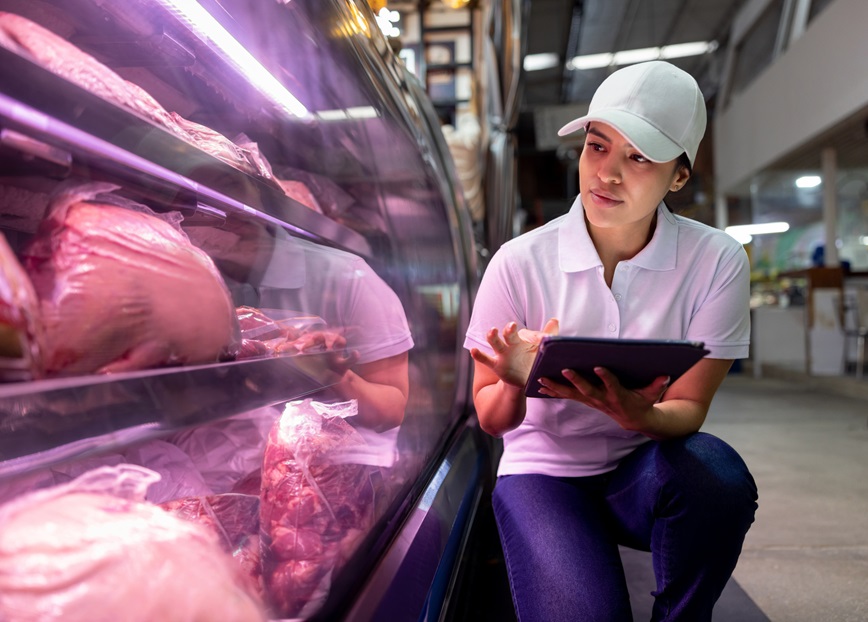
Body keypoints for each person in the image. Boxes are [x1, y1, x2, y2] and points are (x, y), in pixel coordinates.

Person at [464, 60, 758, 621]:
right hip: (543, 473)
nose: (607, 174)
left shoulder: (715, 259)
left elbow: (690, 407)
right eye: (598, 147)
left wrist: (638, 415)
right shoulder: (518, 262)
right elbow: (490, 418)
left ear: (678, 176)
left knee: (716, 476)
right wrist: (513, 381)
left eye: (639, 157)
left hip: (642, 470)